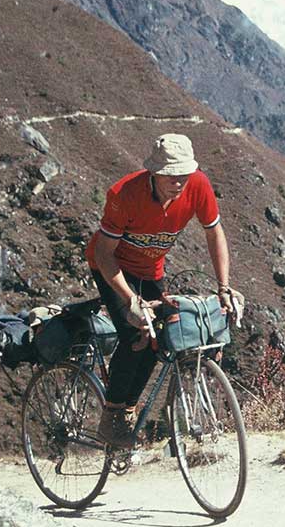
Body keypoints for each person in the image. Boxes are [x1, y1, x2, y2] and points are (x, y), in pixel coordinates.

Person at [84, 133, 234, 448]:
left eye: (184, 175)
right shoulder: (125, 194)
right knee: (134, 333)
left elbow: (214, 233)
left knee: (159, 340)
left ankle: (128, 410)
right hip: (114, 268)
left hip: (151, 269)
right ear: (154, 172)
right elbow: (103, 253)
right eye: (170, 176)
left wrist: (224, 288)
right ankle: (110, 419)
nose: (178, 183)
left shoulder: (199, 185)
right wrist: (129, 300)